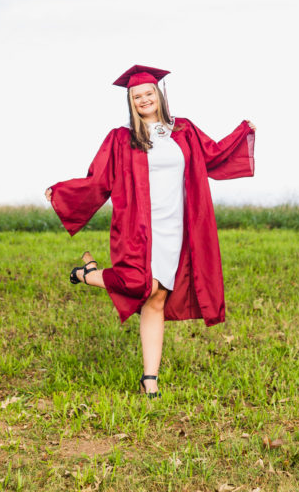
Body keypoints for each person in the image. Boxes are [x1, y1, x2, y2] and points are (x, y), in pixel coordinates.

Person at [45, 64, 255, 399]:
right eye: (136, 96)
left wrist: (242, 131)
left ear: (159, 95)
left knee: (156, 298)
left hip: (175, 227)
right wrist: (64, 193)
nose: (143, 99)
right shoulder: (121, 138)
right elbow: (98, 179)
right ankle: (87, 275)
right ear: (131, 101)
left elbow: (213, 154)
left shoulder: (183, 131)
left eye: (148, 93)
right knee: (139, 282)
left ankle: (150, 379)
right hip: (139, 226)